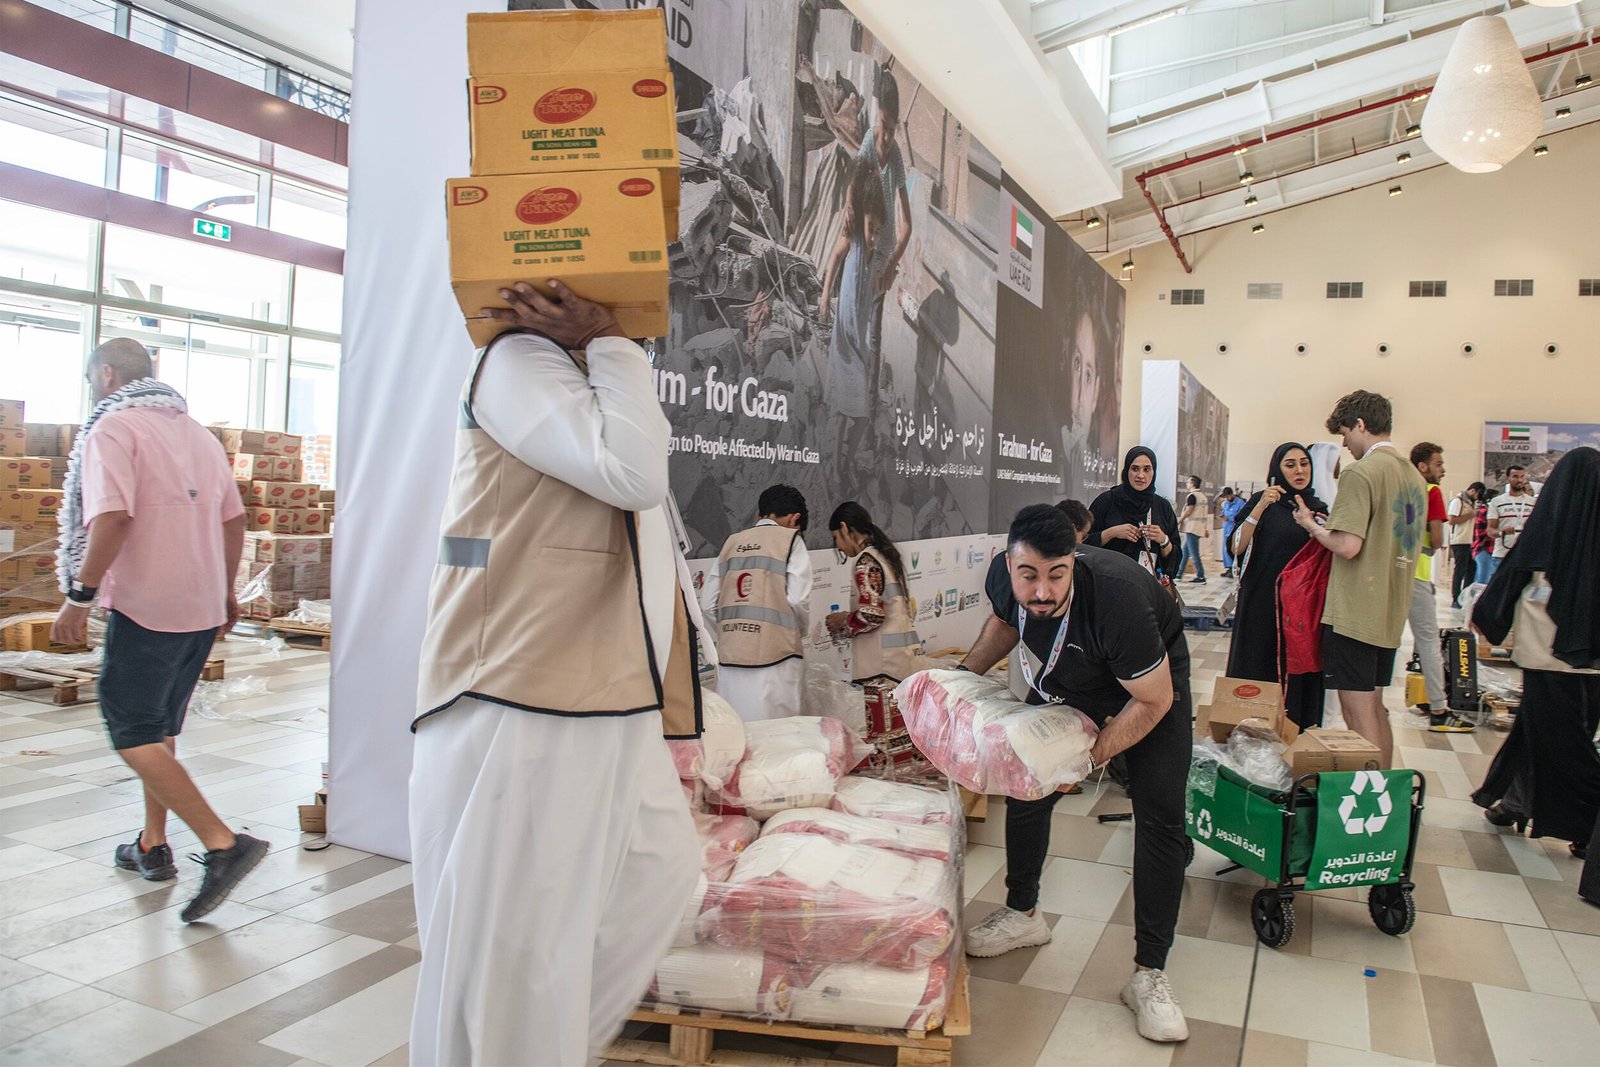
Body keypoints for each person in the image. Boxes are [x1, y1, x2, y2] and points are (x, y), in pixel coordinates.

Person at [409, 281, 702, 1065]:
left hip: (594, 692)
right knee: (519, 947)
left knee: (654, 874)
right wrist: (613, 340)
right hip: (523, 690)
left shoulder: (574, 372)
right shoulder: (516, 362)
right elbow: (633, 470)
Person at [49, 338, 268, 922]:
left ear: (105, 373)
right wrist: (224, 592)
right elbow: (234, 519)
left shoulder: (111, 432)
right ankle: (152, 842)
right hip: (201, 604)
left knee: (130, 730)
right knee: (159, 727)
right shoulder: (199, 435)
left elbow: (114, 517)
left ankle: (223, 844)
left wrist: (79, 595)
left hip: (148, 604)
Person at [960, 505, 1192, 1044]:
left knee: (1160, 815)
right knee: (1029, 787)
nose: (1041, 591)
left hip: (1150, 682)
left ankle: (1150, 974)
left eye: (1056, 575)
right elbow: (1002, 621)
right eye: (1028, 575)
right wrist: (962, 678)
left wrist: (1086, 762)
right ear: (1010, 564)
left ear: (1073, 563)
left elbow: (1153, 701)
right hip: (1074, 673)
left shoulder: (1117, 598)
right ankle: (1023, 913)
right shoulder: (1005, 577)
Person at [1470, 447, 1600, 861]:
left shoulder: (1553, 523)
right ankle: (1513, 801)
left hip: (1548, 655)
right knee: (1538, 729)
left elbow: (1517, 569)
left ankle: (1590, 823)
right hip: (1592, 659)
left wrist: (1488, 614)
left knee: (1563, 741)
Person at [1292, 390, 1427, 768]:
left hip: (1355, 612)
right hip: (1389, 608)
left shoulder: (1361, 470)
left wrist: (1311, 527)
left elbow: (1348, 545)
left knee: (1357, 711)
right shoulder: (1412, 476)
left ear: (1361, 425)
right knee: (1376, 706)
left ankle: (1372, 800)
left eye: (1346, 434)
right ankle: (1387, 790)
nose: (1345, 445)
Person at [1226, 444, 1329, 730]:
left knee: (1297, 671)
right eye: (1290, 464)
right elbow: (1236, 546)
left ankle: (1294, 732)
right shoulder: (1264, 502)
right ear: (1276, 470)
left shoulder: (1318, 509)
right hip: (1262, 603)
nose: (1299, 470)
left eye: (1304, 463)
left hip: (1302, 611)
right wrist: (1260, 506)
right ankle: (1249, 731)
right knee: (1258, 665)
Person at [702, 484, 814, 722]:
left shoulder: (731, 543)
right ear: (796, 519)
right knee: (777, 739)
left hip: (732, 657)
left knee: (740, 737)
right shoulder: (791, 541)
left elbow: (707, 604)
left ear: (758, 515)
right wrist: (797, 632)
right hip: (777, 659)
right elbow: (798, 599)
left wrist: (734, 632)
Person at [819, 162, 887, 498]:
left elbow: (873, 294)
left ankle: (841, 463)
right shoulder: (855, 238)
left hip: (858, 339)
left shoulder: (874, 255)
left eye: (878, 231)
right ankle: (837, 466)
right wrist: (823, 297)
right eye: (871, 227)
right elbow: (833, 258)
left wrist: (884, 285)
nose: (873, 235)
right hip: (845, 335)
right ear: (862, 219)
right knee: (852, 410)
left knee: (857, 414)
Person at [857, 67, 912, 399]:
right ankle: (850, 398)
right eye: (882, 127)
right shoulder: (867, 142)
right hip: (864, 242)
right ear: (876, 119)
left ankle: (869, 406)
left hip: (883, 251)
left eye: (892, 130)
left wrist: (891, 266)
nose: (886, 137)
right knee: (854, 319)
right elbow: (856, 191)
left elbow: (908, 225)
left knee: (874, 334)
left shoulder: (897, 158)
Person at [824, 501, 924, 683]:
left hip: (881, 670)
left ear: (844, 528)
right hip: (900, 663)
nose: (838, 546)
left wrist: (843, 620)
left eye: (836, 537)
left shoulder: (866, 562)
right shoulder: (884, 556)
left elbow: (872, 615)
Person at [1407, 442, 1467, 731]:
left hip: (1395, 572)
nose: (1442, 470)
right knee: (1429, 642)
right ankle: (1439, 710)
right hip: (1417, 574)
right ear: (1423, 466)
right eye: (1439, 464)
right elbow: (1439, 539)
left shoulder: (1404, 490)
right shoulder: (1432, 492)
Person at [1088, 447, 1180, 580]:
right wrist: (1111, 533)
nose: (1140, 475)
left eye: (1147, 469)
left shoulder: (1162, 507)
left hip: (1147, 588)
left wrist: (1163, 540)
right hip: (1107, 585)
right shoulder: (1107, 501)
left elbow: (1173, 562)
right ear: (1126, 471)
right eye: (1135, 469)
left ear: (1154, 472)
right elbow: (1084, 544)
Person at [1484, 464, 1539, 584]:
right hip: (1502, 556)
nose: (1519, 480)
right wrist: (1501, 532)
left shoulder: (1533, 502)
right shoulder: (1497, 501)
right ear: (1508, 478)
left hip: (1525, 556)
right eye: (1515, 476)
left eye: (1522, 476)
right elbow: (1490, 530)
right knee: (1497, 591)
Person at [1448, 482, 1486, 605]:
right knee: (1460, 570)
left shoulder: (1472, 504)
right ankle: (1456, 598)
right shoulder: (1458, 501)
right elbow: (1452, 520)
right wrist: (1470, 515)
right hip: (1460, 541)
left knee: (1471, 570)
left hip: (1472, 541)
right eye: (1478, 494)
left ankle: (1465, 598)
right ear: (1473, 491)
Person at [1175, 475, 1209, 584]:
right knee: (1185, 552)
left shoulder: (1192, 496)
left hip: (1192, 528)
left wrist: (1180, 520)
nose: (1187, 484)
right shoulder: (1203, 496)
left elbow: (1189, 510)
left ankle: (1201, 576)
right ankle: (1179, 574)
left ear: (1193, 484)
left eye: (1188, 482)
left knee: (1194, 553)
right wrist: (1205, 528)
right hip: (1198, 528)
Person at [1218, 487, 1246, 578]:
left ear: (1231, 494)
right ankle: (1229, 568)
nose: (1226, 499)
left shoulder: (1240, 503)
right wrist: (1222, 516)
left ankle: (1235, 568)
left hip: (1235, 530)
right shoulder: (1226, 503)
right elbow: (1224, 512)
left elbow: (1242, 517)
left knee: (1234, 549)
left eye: (1227, 496)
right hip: (1226, 529)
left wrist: (1229, 519)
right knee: (1226, 549)